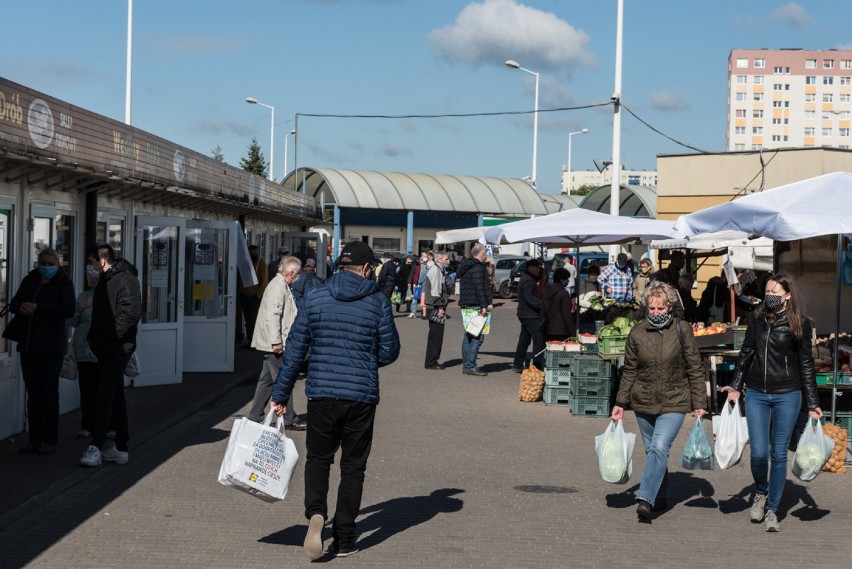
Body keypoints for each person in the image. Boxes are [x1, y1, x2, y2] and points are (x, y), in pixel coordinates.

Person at [270, 241, 400, 559]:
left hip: (322, 394)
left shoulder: (315, 296)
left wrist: (280, 395)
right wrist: (364, 361)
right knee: (353, 468)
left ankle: (316, 513)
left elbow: (295, 350)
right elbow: (389, 350)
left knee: (318, 459)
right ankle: (345, 540)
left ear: (340, 266)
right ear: (368, 269)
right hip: (360, 395)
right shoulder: (377, 301)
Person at [721, 274, 821, 532]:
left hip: (788, 394)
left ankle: (773, 509)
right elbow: (747, 352)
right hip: (756, 393)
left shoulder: (799, 323)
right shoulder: (757, 317)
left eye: (775, 291)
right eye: (767, 291)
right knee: (758, 454)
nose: (770, 296)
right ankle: (761, 491)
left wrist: (812, 402)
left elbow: (806, 364)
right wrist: (737, 385)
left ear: (788, 295)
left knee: (778, 456)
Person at [611, 282, 707, 523]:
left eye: (660, 308)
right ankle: (661, 494)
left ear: (670, 308)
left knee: (659, 447)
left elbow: (695, 367)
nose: (655, 312)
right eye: (651, 308)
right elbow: (629, 371)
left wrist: (699, 402)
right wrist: (620, 403)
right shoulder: (637, 333)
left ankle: (645, 498)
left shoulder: (682, 330)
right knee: (653, 451)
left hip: (675, 399)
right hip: (643, 401)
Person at [80, 242, 142, 467]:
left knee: (104, 395)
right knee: (115, 395)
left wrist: (110, 338)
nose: (89, 267)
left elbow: (131, 313)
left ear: (102, 261)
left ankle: (96, 446)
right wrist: (95, 340)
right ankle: (121, 448)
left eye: (91, 263)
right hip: (107, 347)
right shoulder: (105, 281)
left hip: (117, 348)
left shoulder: (125, 279)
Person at [12, 248, 75, 455]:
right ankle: (34, 439)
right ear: (37, 263)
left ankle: (50, 439)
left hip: (51, 347)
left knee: (49, 394)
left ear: (57, 265)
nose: (46, 267)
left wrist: (38, 308)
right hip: (29, 346)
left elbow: (68, 310)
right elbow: (14, 303)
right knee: (33, 395)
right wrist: (22, 307)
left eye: (50, 264)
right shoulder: (30, 280)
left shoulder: (64, 283)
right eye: (43, 263)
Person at [247, 256, 306, 430]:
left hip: (271, 342)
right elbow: (273, 316)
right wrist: (276, 341)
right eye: (298, 274)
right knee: (283, 379)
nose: (298, 277)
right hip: (274, 344)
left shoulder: (279, 285)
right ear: (292, 272)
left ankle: (255, 415)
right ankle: (289, 419)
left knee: (266, 380)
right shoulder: (278, 287)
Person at [72, 254, 104, 439]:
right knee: (87, 390)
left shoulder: (111, 296)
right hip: (84, 350)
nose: (91, 277)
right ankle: (87, 425)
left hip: (103, 351)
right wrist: (79, 308)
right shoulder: (83, 296)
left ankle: (108, 426)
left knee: (105, 390)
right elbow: (72, 321)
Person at [457, 244, 493, 376]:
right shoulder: (478, 267)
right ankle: (470, 366)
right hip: (475, 305)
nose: (486, 256)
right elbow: (480, 288)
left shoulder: (466, 265)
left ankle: (467, 365)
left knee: (469, 335)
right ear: (481, 254)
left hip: (467, 304)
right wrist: (484, 305)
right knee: (477, 337)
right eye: (485, 253)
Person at [512, 259, 545, 372]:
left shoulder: (529, 278)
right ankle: (536, 365)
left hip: (526, 314)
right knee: (538, 339)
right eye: (537, 268)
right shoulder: (528, 280)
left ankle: (517, 364)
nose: (539, 270)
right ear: (531, 268)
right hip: (529, 314)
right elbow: (530, 298)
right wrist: (543, 305)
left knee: (524, 339)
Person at [238, 244, 269, 347]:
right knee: (248, 319)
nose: (253, 254)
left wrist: (258, 294)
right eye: (251, 252)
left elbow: (264, 280)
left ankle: (256, 341)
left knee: (254, 319)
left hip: (254, 295)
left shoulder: (261, 262)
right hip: (245, 294)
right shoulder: (246, 262)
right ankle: (250, 339)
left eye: (255, 252)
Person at [424, 253, 450, 370]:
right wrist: (440, 307)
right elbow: (435, 291)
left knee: (436, 335)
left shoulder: (439, 270)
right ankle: (431, 361)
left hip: (436, 306)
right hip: (435, 307)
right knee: (435, 335)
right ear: (439, 260)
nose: (448, 261)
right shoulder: (435, 271)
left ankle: (432, 360)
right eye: (446, 259)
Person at [540, 267, 577, 343]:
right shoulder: (563, 294)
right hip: (561, 331)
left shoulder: (547, 291)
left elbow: (543, 310)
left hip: (548, 328)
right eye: (566, 279)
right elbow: (567, 315)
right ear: (561, 279)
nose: (568, 281)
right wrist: (573, 333)